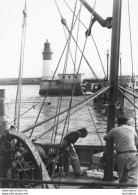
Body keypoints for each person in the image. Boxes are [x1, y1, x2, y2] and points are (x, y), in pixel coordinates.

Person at [103, 116, 138, 185]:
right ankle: (132, 189)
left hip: (121, 154)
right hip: (133, 153)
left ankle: (122, 188)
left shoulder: (115, 130)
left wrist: (111, 131)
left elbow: (105, 138)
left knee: (122, 174)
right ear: (126, 122)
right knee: (133, 175)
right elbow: (136, 141)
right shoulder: (132, 129)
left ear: (118, 123)